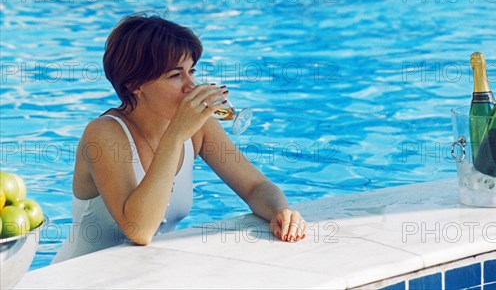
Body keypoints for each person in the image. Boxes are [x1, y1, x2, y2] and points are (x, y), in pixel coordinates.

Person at [52, 14, 306, 263]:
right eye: (175, 76)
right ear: (134, 85)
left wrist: (280, 211)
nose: (191, 86)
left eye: (191, 71)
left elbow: (255, 187)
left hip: (142, 277)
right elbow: (139, 230)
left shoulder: (200, 126)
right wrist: (175, 136)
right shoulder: (105, 134)